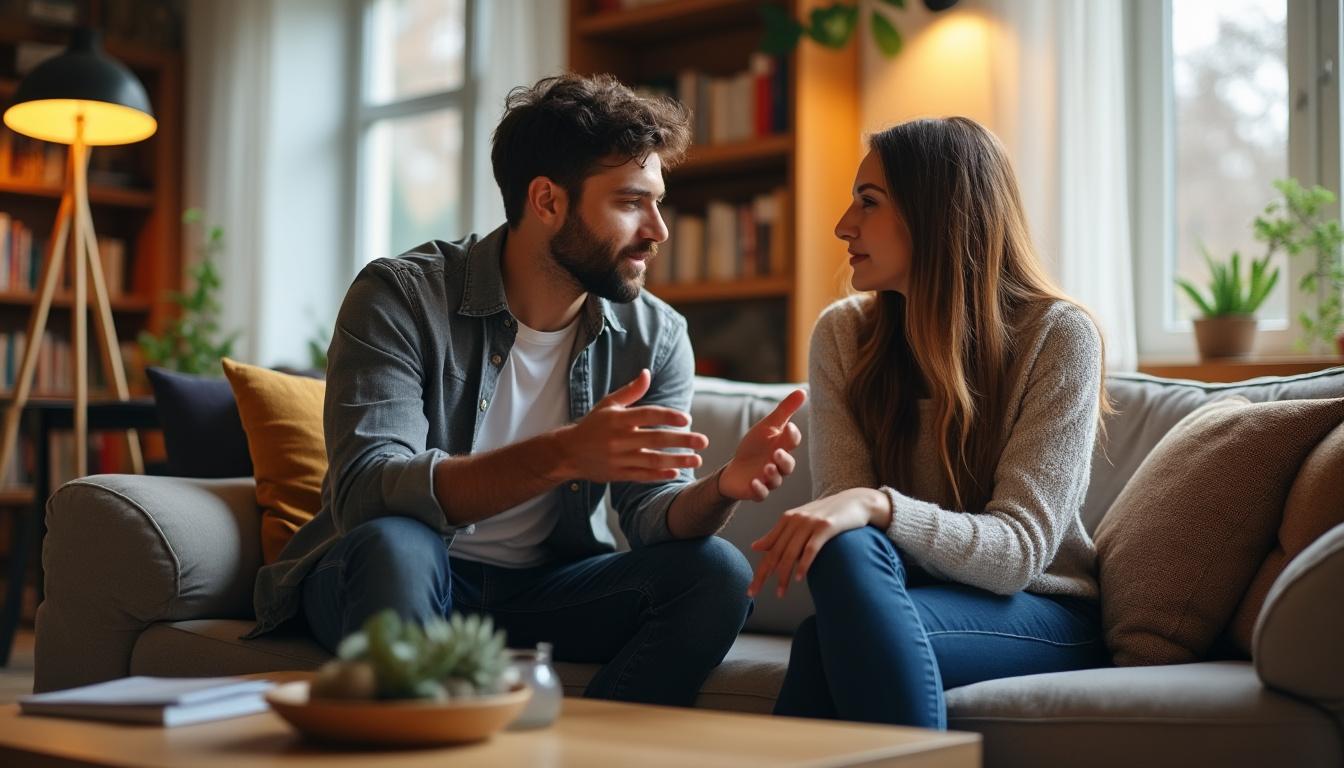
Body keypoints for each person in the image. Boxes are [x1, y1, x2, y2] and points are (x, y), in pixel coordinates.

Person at [249, 74, 807, 707]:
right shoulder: (401, 297)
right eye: (630, 202)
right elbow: (369, 491)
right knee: (395, 543)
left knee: (717, 575)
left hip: (545, 589)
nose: (659, 230)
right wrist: (564, 454)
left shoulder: (655, 334)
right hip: (404, 570)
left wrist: (722, 489)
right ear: (547, 201)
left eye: (658, 201)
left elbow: (652, 516)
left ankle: (599, 749)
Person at [750, 117, 1111, 727]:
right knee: (837, 571)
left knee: (826, 636)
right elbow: (843, 529)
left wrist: (881, 505)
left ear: (937, 215)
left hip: (1041, 610)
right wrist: (863, 510)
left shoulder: (1057, 335)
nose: (843, 225)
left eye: (868, 202)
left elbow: (1020, 552)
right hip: (901, 598)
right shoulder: (843, 335)